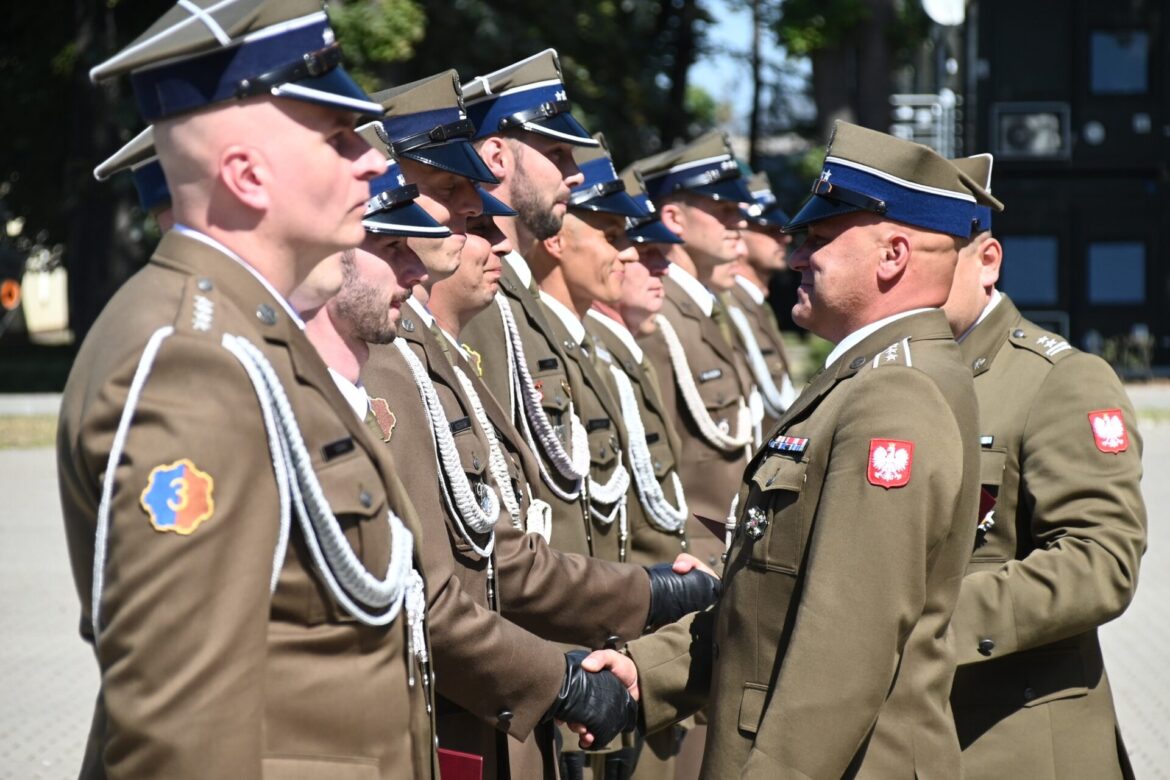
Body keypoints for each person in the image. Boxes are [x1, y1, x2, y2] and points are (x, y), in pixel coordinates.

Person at [57, 2, 437, 777]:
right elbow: (180, 731)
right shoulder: (191, 362)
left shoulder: (248, 332)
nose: (371, 162)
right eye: (337, 141)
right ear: (246, 177)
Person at [580, 121, 998, 778]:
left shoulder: (895, 394)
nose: (799, 256)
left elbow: (842, 652)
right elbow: (767, 601)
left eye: (822, 240)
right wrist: (648, 671)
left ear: (892, 256)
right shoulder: (876, 376)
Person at [355, 76, 720, 779]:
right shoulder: (392, 362)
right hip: (470, 706)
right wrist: (571, 674)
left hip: (522, 684)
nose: (482, 234)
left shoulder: (434, 349)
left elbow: (515, 534)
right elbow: (452, 583)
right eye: (458, 213)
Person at [942, 154, 1147, 779]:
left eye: (931, 255)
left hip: (1012, 741)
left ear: (988, 260)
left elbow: (1100, 563)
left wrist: (921, 626)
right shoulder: (883, 376)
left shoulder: (1059, 380)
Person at [459, 50, 603, 559]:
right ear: (498, 157)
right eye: (559, 155)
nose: (576, 176)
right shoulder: (475, 296)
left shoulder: (520, 296)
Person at [584, 171, 693, 780]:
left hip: (659, 619)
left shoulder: (625, 348)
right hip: (626, 624)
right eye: (640, 251)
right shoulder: (597, 350)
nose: (655, 268)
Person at [627, 131, 759, 570]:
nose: (738, 222)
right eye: (722, 210)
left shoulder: (704, 310)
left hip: (726, 548)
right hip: (696, 557)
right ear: (674, 219)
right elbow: (653, 468)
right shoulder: (658, 318)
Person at [722, 172, 798, 432]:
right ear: (740, 234)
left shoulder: (755, 303)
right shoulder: (729, 306)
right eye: (769, 230)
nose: (785, 238)